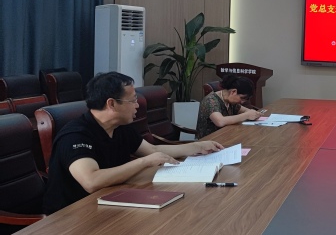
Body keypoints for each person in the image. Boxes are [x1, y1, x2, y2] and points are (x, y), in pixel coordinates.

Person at [43, 72, 223, 214]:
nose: (137, 105)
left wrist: (197, 146)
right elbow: (91, 181)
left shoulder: (120, 127)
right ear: (111, 104)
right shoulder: (75, 135)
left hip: (110, 201)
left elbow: (152, 150)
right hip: (73, 215)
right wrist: (144, 162)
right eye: (133, 100)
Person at [195, 74, 265, 139]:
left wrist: (254, 114)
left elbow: (246, 111)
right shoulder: (211, 101)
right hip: (210, 141)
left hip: (226, 136)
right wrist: (247, 115)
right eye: (242, 98)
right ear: (233, 92)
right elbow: (220, 121)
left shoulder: (230, 101)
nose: (242, 102)